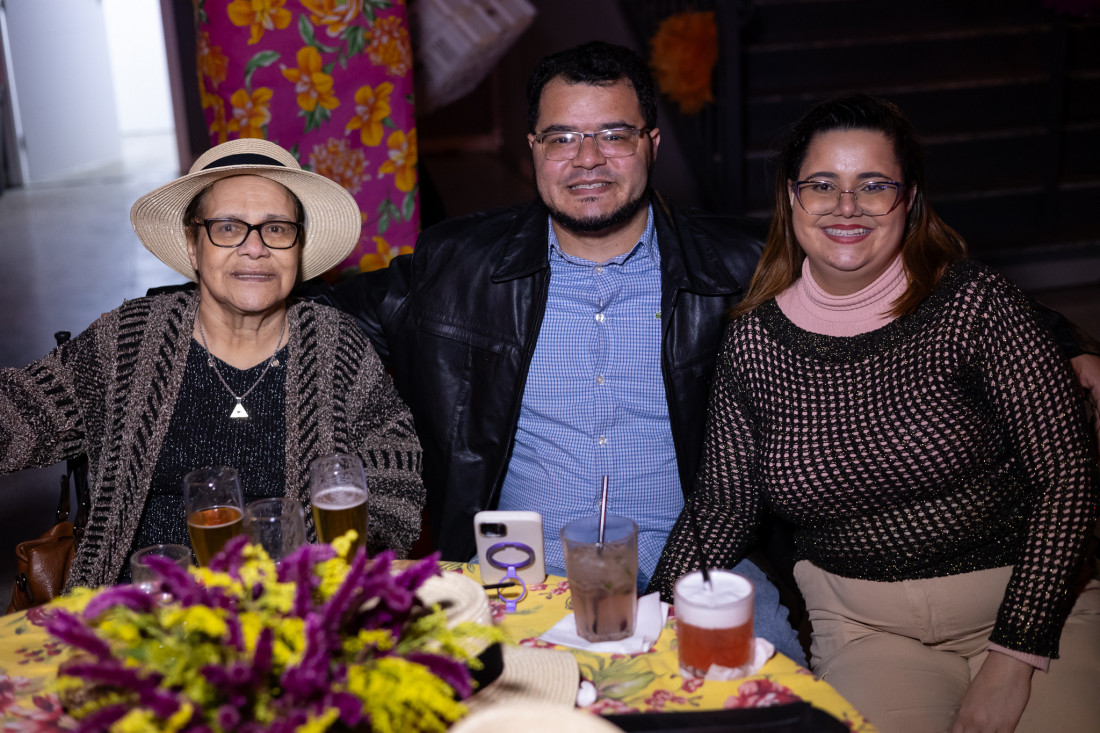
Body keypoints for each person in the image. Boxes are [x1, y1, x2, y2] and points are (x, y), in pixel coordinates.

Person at [312, 41, 809, 663]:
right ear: (533, 149)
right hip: (517, 578)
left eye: (614, 135)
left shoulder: (745, 267)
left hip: (702, 567)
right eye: (562, 138)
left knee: (779, 695)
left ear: (652, 144)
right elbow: (308, 320)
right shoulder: (458, 266)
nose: (588, 159)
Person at [650, 94, 1100, 733]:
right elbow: (724, 506)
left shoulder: (973, 305)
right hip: (864, 630)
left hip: (1032, 605)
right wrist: (647, 615)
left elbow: (1067, 476)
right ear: (792, 198)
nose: (847, 206)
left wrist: (1014, 657)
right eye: (822, 185)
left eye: (874, 185)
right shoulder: (753, 343)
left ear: (908, 199)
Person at [0, 139, 425, 590]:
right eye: (227, 227)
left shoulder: (337, 345)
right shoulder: (129, 341)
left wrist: (354, 563)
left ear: (297, 248)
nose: (255, 248)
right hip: (139, 610)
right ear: (192, 245)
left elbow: (396, 463)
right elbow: (18, 414)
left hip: (294, 608)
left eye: (276, 228)